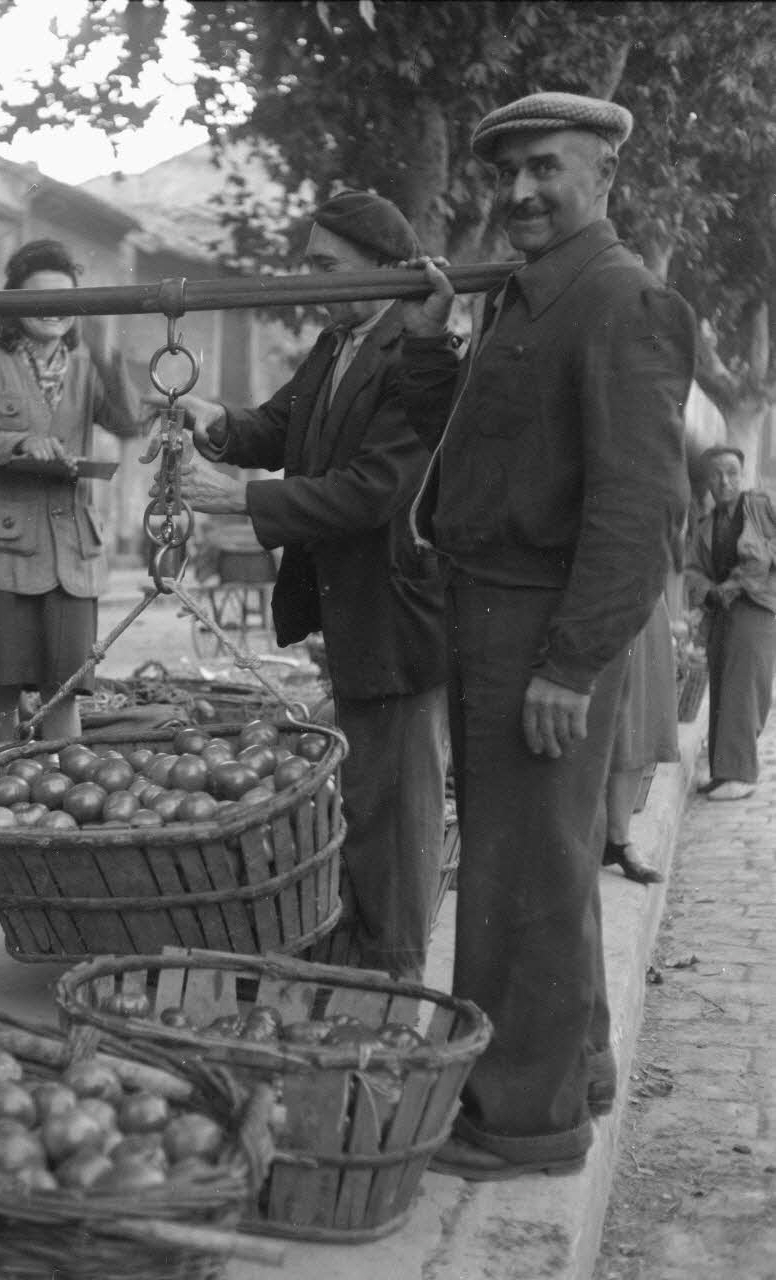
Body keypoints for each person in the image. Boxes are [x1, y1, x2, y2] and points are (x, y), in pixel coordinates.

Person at [411, 93, 696, 1179]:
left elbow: (639, 511)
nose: (521, 191)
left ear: (604, 177)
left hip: (543, 625)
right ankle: (576, 1061)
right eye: (507, 174)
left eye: (547, 169)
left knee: (515, 878)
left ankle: (518, 1120)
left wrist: (571, 663)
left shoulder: (622, 301)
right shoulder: (525, 300)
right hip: (489, 611)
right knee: (546, 861)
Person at [170, 190, 462, 982]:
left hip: (398, 607)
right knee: (365, 790)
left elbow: (372, 489)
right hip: (349, 600)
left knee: (399, 803)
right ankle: (363, 944)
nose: (311, 280)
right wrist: (215, 421)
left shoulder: (415, 354)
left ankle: (395, 970)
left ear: (385, 269)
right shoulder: (339, 343)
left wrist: (239, 499)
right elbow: (279, 426)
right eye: (309, 264)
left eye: (327, 265)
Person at [0, 239, 141, 745]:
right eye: (41, 298)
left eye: (67, 300)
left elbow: (128, 423)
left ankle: (63, 787)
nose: (55, 311)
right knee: (2, 690)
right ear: (13, 302)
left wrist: (106, 356)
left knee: (67, 689)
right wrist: (19, 440)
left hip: (73, 555)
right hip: (2, 553)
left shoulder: (88, 365)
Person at [684, 445, 776, 801]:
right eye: (717, 474)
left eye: (733, 473)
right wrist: (711, 591)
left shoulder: (760, 508)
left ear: (743, 474)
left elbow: (763, 555)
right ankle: (724, 771)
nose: (725, 481)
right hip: (721, 610)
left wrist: (740, 581)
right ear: (708, 479)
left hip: (755, 607)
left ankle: (742, 774)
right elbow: (692, 570)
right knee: (722, 683)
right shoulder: (706, 524)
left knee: (743, 687)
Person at [601, 593, 680, 884]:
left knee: (639, 719)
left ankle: (618, 839)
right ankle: (590, 836)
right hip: (589, 599)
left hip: (640, 592)